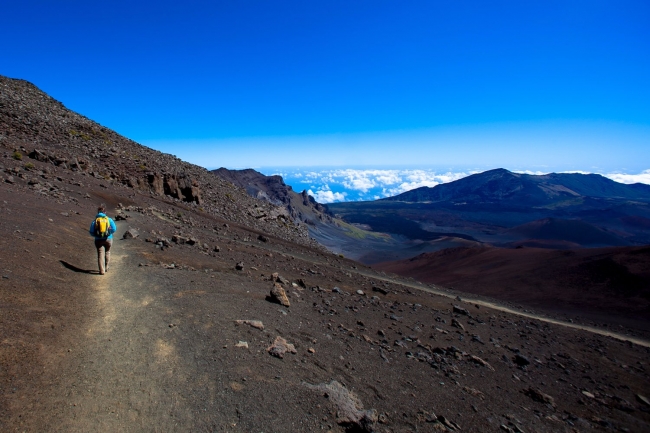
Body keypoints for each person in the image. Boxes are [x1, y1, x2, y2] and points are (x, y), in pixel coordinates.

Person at [89, 204, 117, 275]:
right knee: (107, 252)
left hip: (98, 240)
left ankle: (102, 271)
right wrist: (109, 233)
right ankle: (107, 267)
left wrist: (96, 235)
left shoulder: (95, 221)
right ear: (105, 212)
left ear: (98, 212)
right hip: (108, 239)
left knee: (100, 254)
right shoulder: (109, 219)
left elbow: (91, 232)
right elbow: (114, 229)